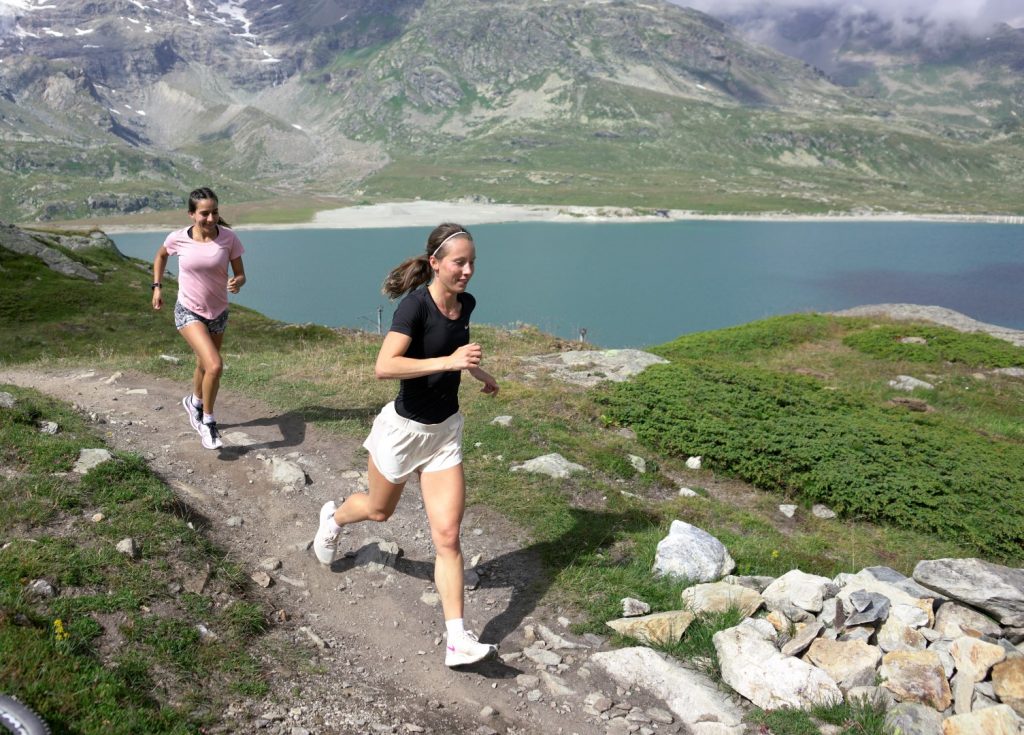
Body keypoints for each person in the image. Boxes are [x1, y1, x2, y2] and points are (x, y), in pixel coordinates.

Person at [313, 223, 500, 668]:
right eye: (459, 263)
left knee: (448, 536)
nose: (468, 271)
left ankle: (456, 640)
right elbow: (385, 366)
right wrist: (449, 361)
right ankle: (333, 520)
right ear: (435, 263)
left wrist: (476, 372)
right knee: (379, 511)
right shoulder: (414, 307)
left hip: (444, 434)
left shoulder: (466, 304)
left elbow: (455, 349)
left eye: (472, 262)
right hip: (403, 433)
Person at [151, 187, 246, 450]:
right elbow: (160, 256)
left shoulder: (228, 238)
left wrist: (237, 282)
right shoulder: (178, 238)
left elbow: (241, 274)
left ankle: (194, 401)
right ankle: (207, 420)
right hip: (188, 310)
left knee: (204, 365)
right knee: (215, 365)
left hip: (218, 312)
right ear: (192, 214)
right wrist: (157, 287)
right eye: (204, 213)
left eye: (214, 212)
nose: (211, 218)